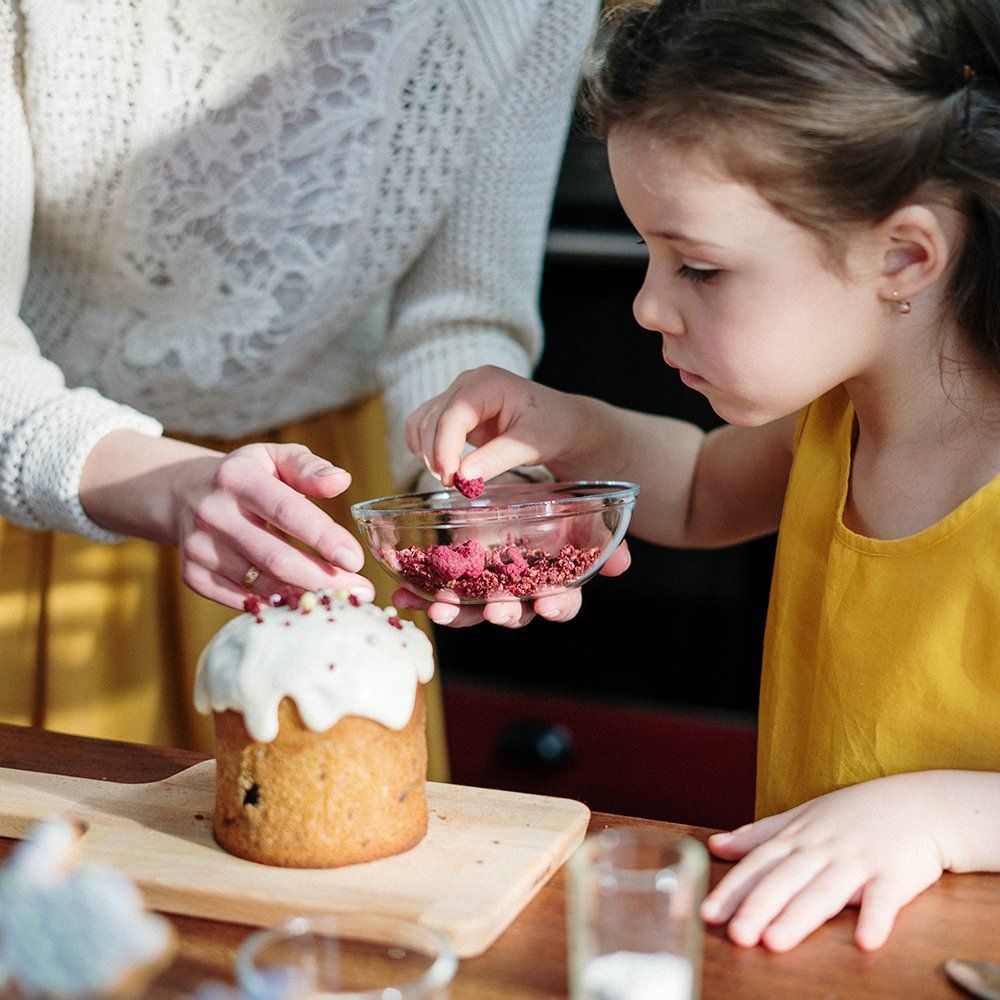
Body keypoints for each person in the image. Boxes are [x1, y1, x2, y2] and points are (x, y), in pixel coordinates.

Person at [400, 0, 1000, 951]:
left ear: (903, 254)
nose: (647, 305)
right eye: (650, 255)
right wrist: (568, 426)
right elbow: (692, 491)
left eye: (700, 269)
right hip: (813, 948)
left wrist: (941, 819)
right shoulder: (833, 418)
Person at [0, 0, 598, 774]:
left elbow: (460, 311)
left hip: (322, 501)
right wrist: (169, 484)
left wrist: (477, 480)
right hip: (62, 483)